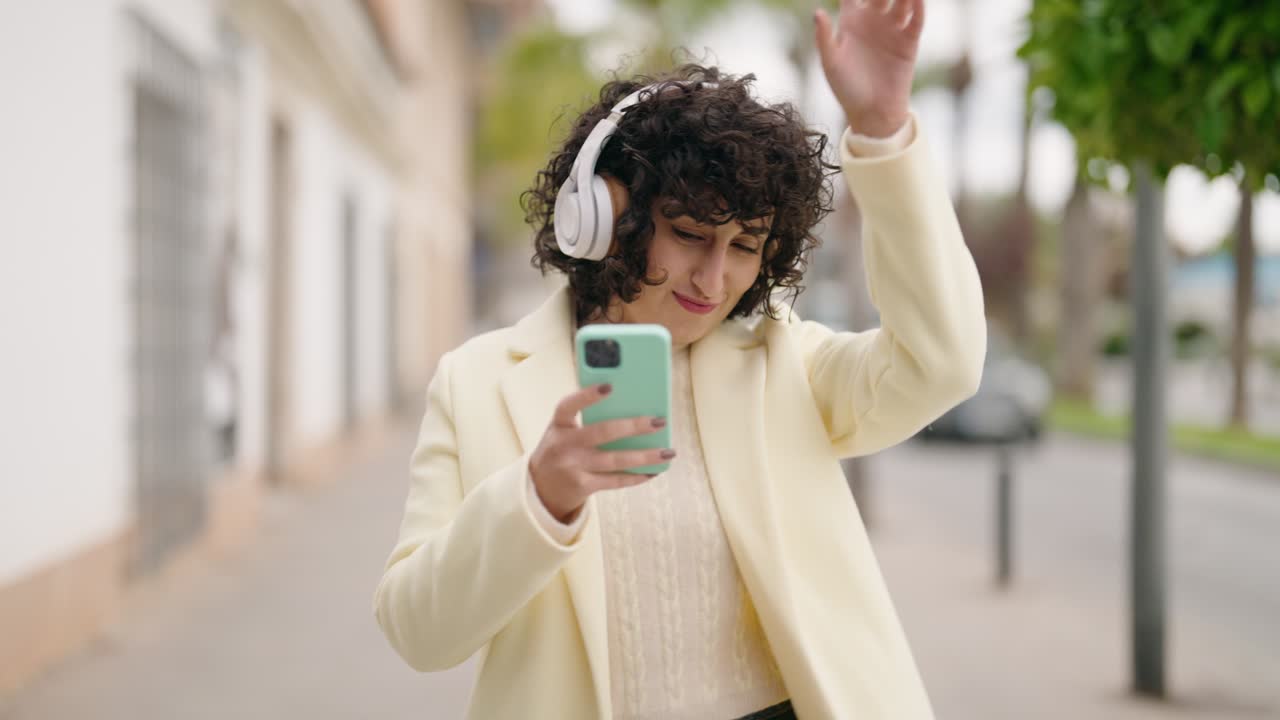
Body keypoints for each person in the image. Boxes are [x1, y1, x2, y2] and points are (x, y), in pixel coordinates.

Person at [373, 1, 985, 718]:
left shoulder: (785, 362)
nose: (715, 279)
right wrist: (537, 498)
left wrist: (881, 132)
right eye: (692, 234)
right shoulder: (475, 382)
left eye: (746, 247)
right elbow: (418, 633)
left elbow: (940, 364)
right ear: (603, 216)